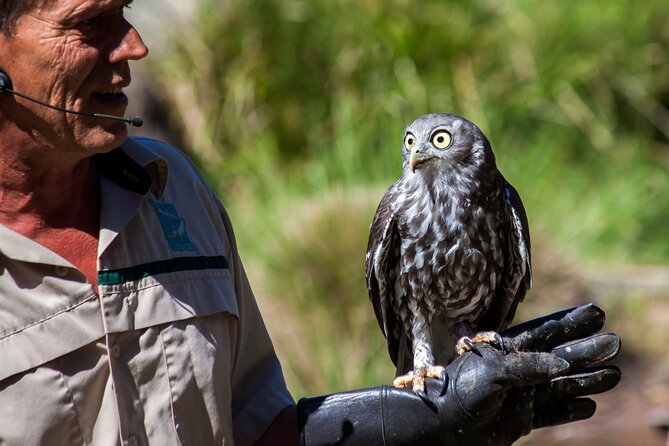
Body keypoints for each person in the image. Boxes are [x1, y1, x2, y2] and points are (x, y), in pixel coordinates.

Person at [0, 1, 620, 445]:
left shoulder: (173, 193)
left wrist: (421, 422)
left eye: (128, 13)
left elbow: (255, 425)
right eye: (90, 24)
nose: (134, 45)